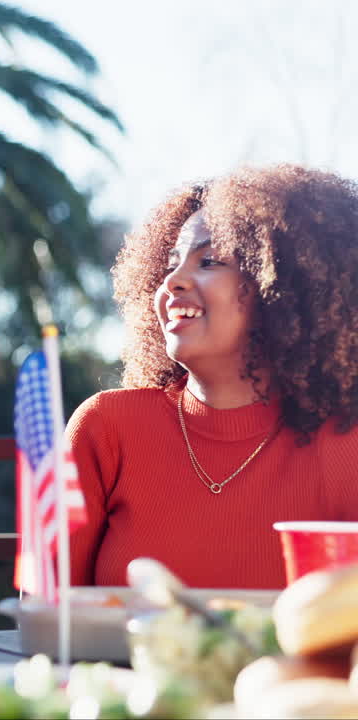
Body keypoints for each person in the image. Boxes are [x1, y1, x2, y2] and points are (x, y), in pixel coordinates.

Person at [68, 164, 358, 589]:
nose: (173, 282)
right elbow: (44, 617)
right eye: (169, 265)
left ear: (283, 286)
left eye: (210, 261)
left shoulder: (346, 445)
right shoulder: (106, 427)